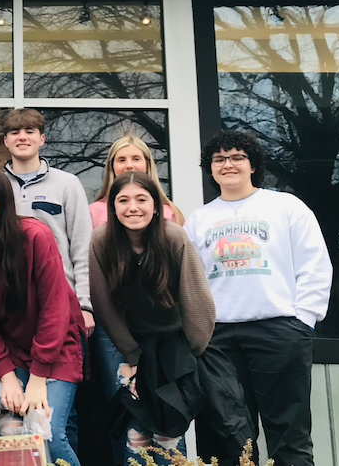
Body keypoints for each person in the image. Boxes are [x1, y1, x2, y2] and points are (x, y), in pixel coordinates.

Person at [185, 131, 333, 466]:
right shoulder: (198, 220)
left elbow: (314, 264)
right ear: (210, 169)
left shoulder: (285, 206)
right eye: (219, 159)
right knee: (228, 439)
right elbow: (190, 284)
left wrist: (303, 320)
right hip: (218, 339)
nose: (228, 164)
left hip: (279, 331)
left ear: (253, 165)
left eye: (237, 157)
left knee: (289, 435)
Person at [0, 170, 85, 466]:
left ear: (4, 202)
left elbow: (55, 308)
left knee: (46, 432)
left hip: (56, 347)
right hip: (11, 352)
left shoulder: (35, 236)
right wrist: (6, 374)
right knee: (10, 434)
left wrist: (39, 377)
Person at [89, 171, 217, 464]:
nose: (132, 207)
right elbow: (103, 303)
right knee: (136, 432)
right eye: (123, 200)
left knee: (168, 432)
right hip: (130, 345)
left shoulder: (173, 236)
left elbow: (197, 299)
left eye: (141, 199)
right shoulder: (101, 241)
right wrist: (132, 354)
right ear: (113, 207)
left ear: (156, 206)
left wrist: (189, 355)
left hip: (174, 344)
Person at [0, 108, 95, 454]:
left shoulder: (67, 184)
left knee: (57, 425)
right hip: (12, 313)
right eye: (14, 132)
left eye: (29, 131)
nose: (22, 137)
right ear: (5, 141)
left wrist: (85, 305)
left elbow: (83, 247)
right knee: (16, 427)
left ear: (42, 138)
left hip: (61, 309)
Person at [89, 136, 184, 228]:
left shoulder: (169, 213)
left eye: (136, 159)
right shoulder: (94, 213)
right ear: (112, 166)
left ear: (147, 164)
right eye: (121, 160)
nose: (129, 165)